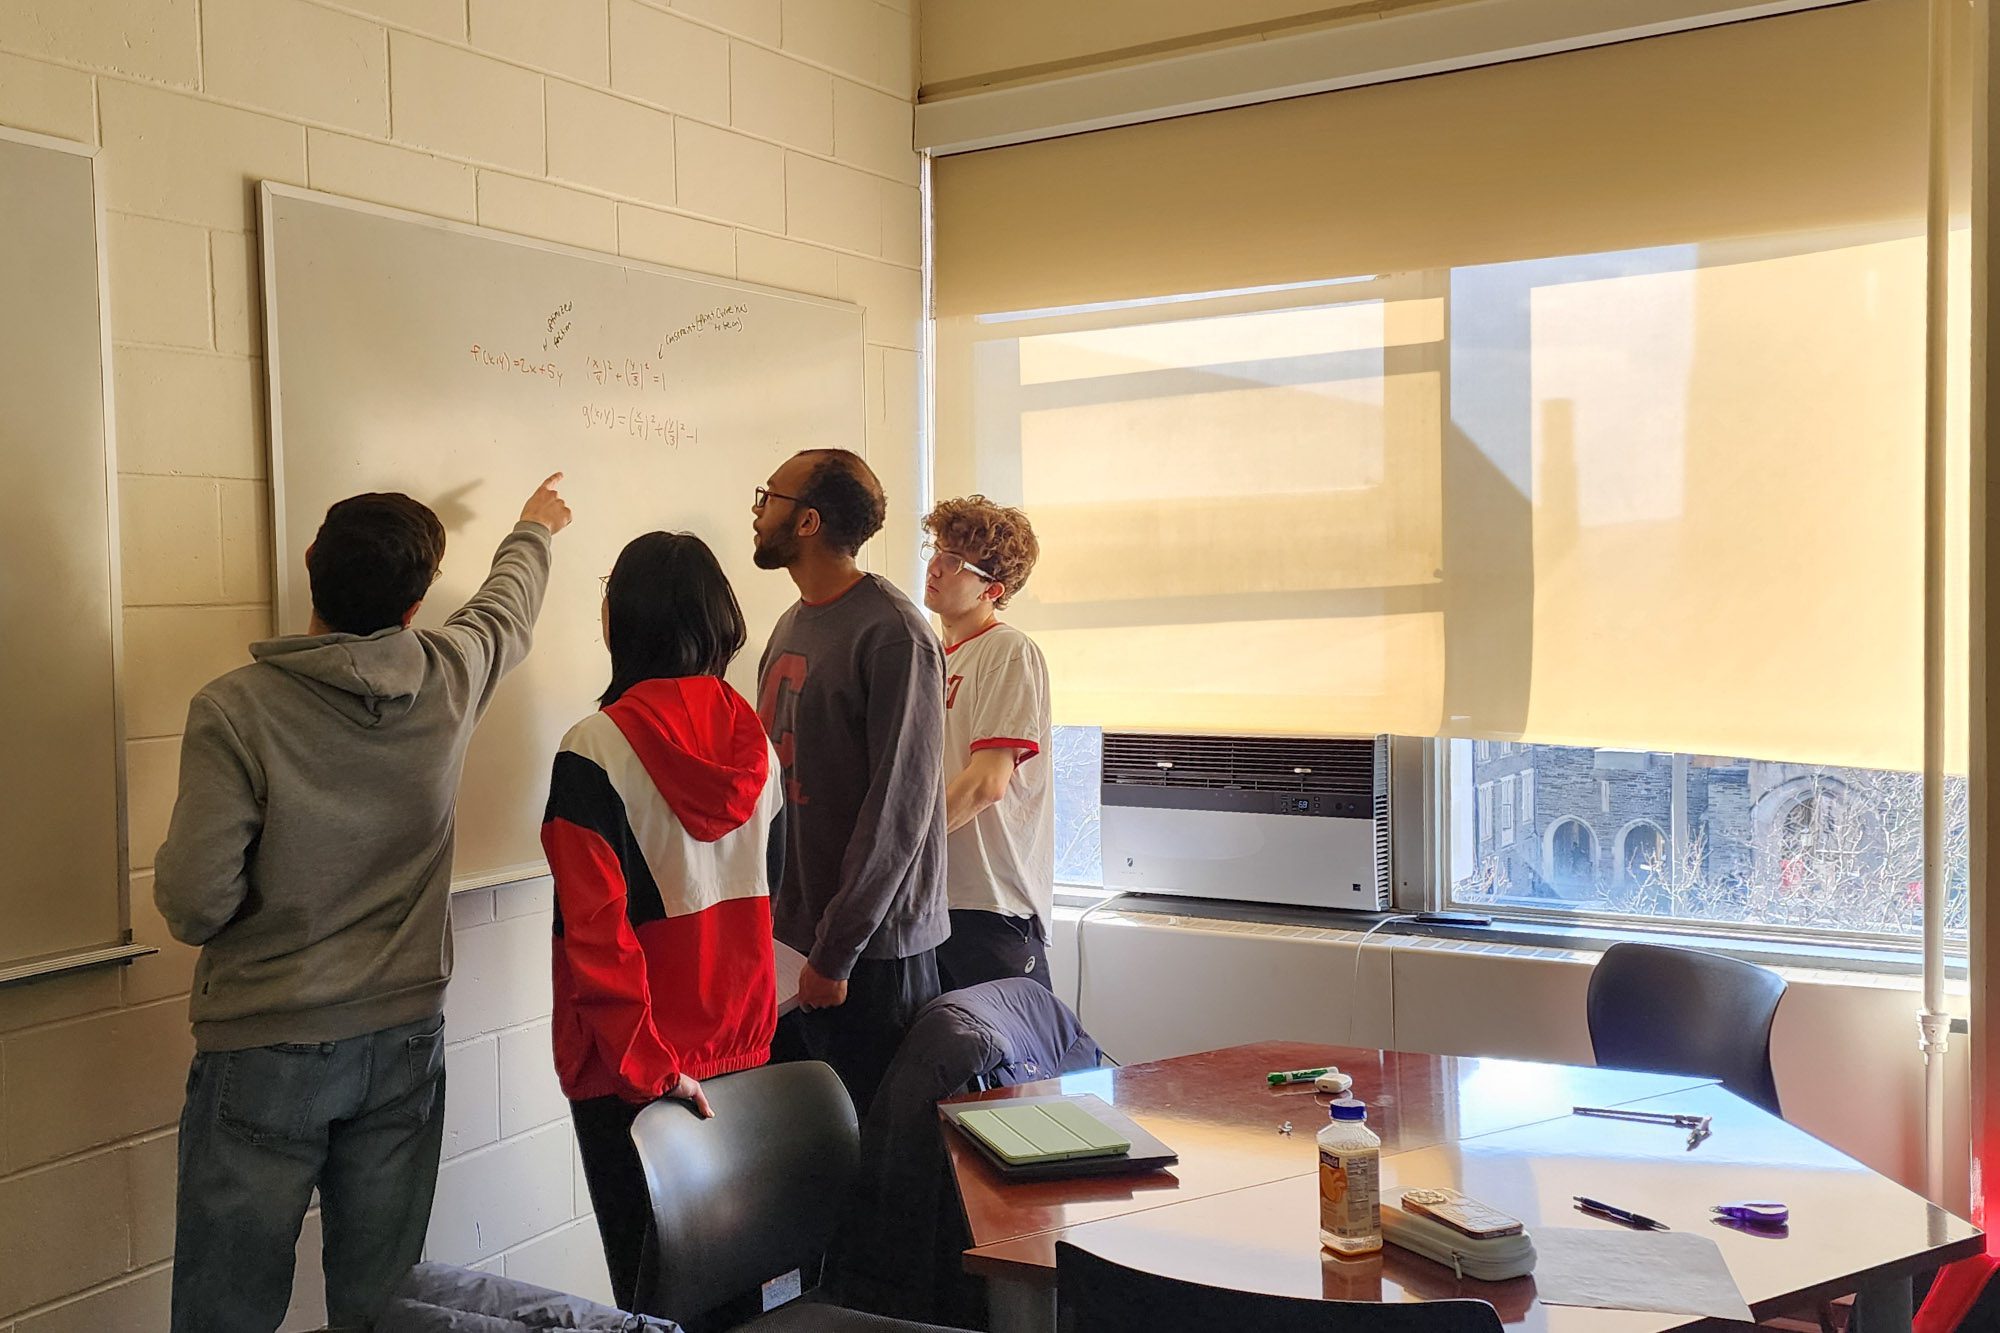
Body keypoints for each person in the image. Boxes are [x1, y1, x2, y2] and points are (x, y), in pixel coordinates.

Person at [153, 475, 571, 1333]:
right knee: (385, 1307)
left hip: (265, 1046)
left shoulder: (234, 709)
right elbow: (507, 608)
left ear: (311, 564)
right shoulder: (451, 675)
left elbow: (195, 903)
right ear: (418, 605)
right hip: (404, 1041)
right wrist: (534, 525)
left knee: (224, 1311)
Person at [541, 531, 785, 1312]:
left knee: (650, 1298)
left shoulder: (593, 749)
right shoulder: (754, 738)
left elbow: (597, 939)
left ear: (624, 619)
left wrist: (650, 1071)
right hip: (742, 1050)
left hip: (634, 1071)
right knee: (736, 1290)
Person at [752, 448, 948, 1115]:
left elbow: (899, 811)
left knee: (872, 1167)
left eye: (768, 497)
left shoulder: (894, 634)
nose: (756, 511)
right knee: (801, 1164)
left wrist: (836, 954)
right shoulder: (791, 621)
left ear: (807, 521)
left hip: (867, 959)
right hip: (797, 948)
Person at [920, 496, 1055, 992]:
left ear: (991, 590)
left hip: (990, 902)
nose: (936, 565)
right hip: (933, 899)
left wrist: (905, 849)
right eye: (937, 550)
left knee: (1016, 1066)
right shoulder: (929, 655)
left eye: (955, 561)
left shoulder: (1007, 651)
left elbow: (986, 783)